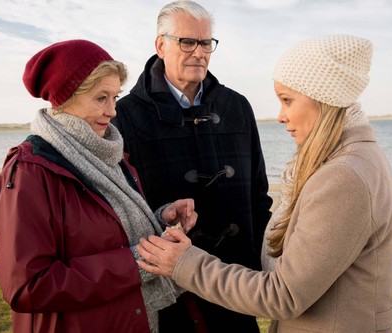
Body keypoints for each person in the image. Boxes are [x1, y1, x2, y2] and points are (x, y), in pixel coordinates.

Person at [136, 34, 392, 333]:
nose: (280, 116)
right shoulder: (355, 158)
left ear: (323, 100)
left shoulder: (342, 177)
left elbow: (283, 295)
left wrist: (185, 264)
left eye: (287, 100)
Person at [0, 39, 197, 333]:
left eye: (115, 97)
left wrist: (161, 216)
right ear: (66, 99)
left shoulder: (108, 154)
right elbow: (28, 286)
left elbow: (106, 227)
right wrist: (136, 263)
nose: (112, 111)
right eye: (101, 98)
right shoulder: (30, 172)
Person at [112, 1, 273, 332]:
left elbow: (259, 194)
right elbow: (120, 209)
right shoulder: (125, 115)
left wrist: (261, 263)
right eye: (187, 42)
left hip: (237, 282)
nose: (199, 52)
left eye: (205, 43)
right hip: (170, 287)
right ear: (161, 45)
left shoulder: (237, 106)